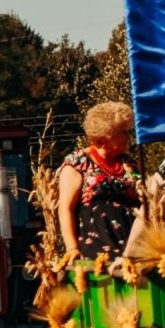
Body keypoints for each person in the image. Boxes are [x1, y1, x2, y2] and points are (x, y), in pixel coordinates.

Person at [58, 101, 141, 259]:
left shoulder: (129, 162)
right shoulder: (78, 162)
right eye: (123, 133)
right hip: (96, 246)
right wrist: (72, 248)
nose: (129, 137)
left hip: (134, 244)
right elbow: (65, 209)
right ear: (105, 138)